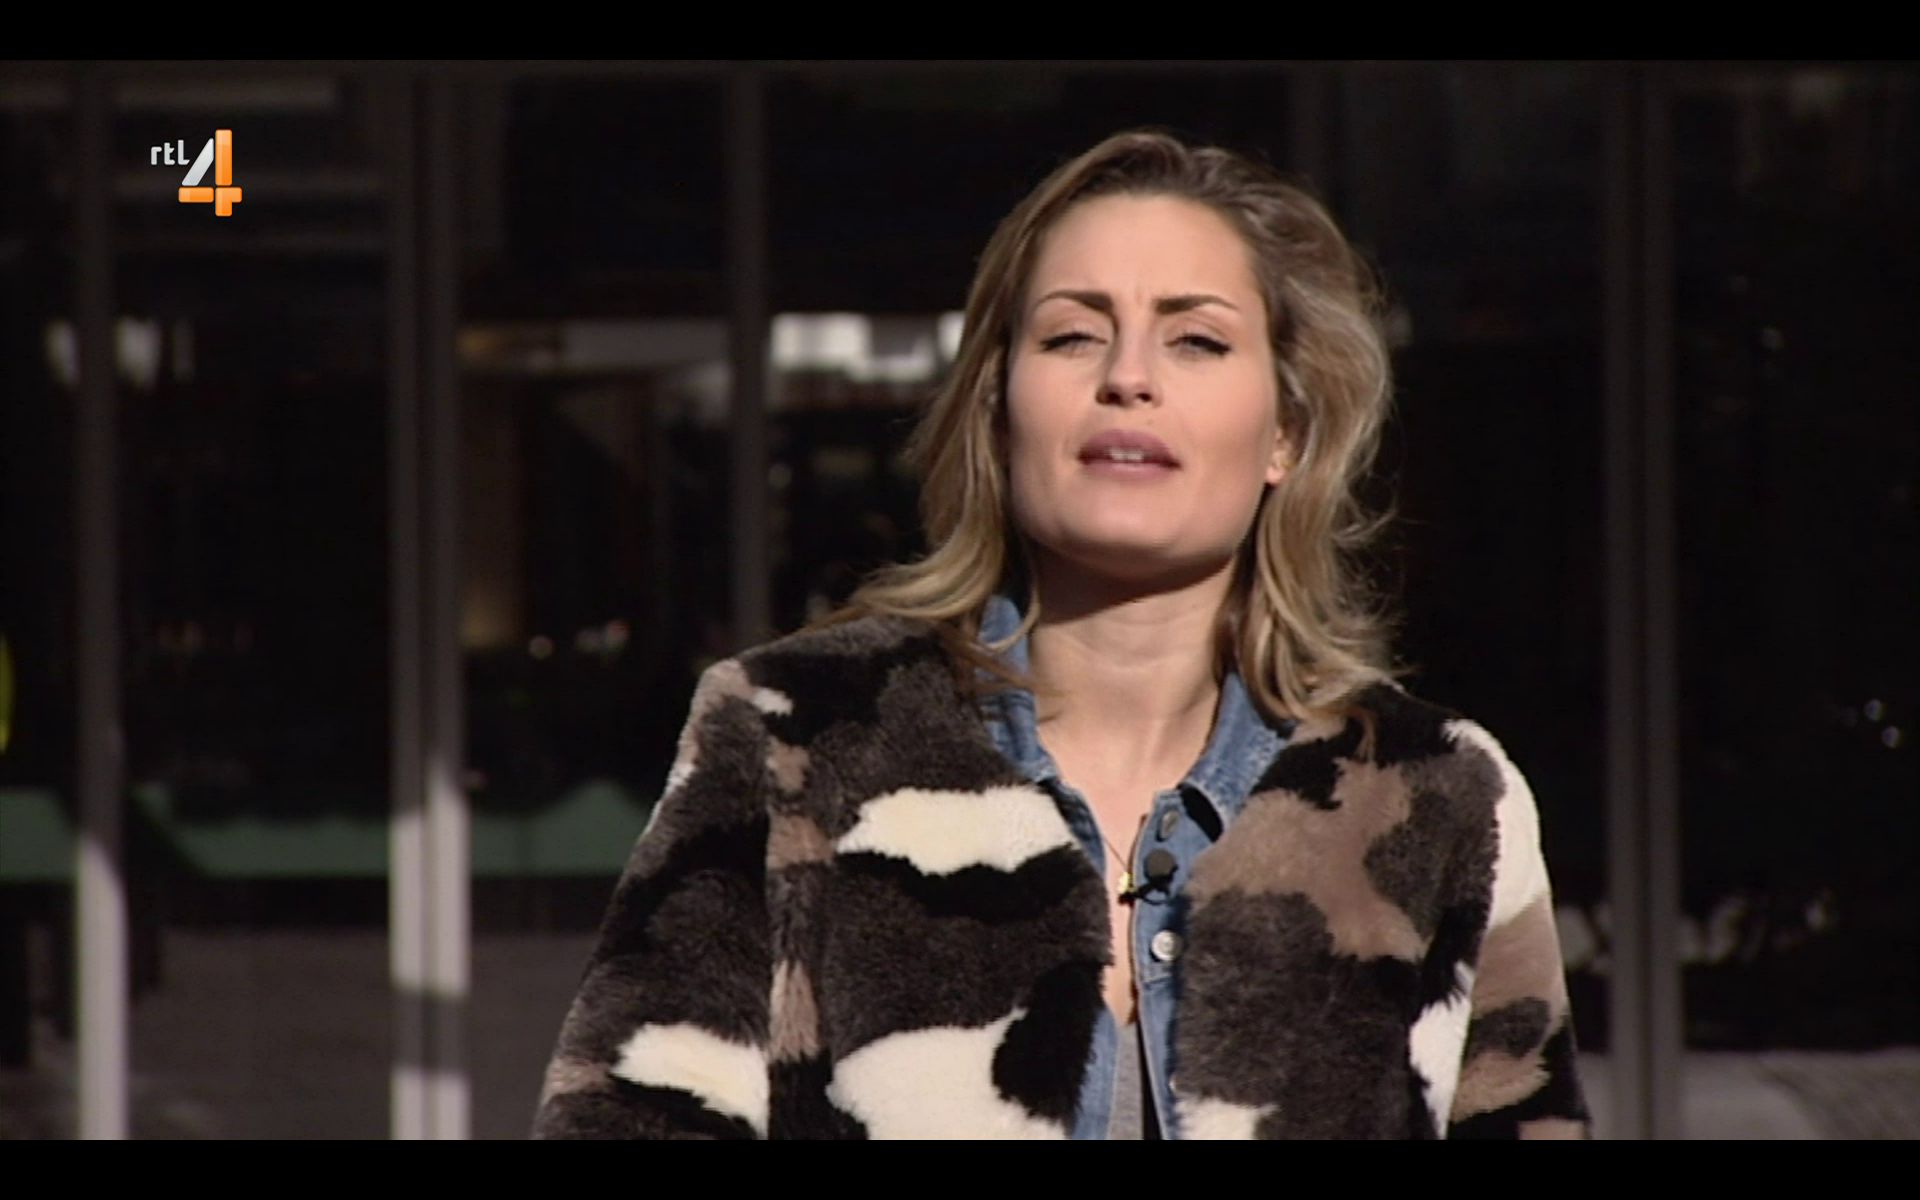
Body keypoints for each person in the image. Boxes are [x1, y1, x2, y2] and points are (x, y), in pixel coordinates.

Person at [530, 127, 1593, 1140]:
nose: (1127, 377)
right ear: (999, 411)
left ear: (1287, 432)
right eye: (1073, 334)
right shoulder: (788, 743)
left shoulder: (1444, 799)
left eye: (1196, 339)